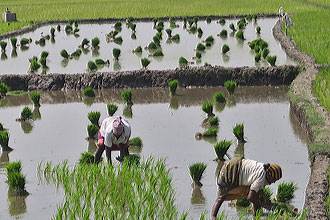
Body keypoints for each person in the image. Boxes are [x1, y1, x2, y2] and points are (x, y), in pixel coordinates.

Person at [211, 157, 282, 219]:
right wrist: (263, 205)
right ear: (269, 175)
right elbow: (250, 197)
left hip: (237, 165)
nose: (274, 182)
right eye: (274, 179)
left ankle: (256, 214)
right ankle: (213, 217)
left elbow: (257, 187)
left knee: (254, 192)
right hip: (230, 171)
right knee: (221, 197)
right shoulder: (261, 177)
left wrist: (264, 197)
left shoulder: (264, 170)